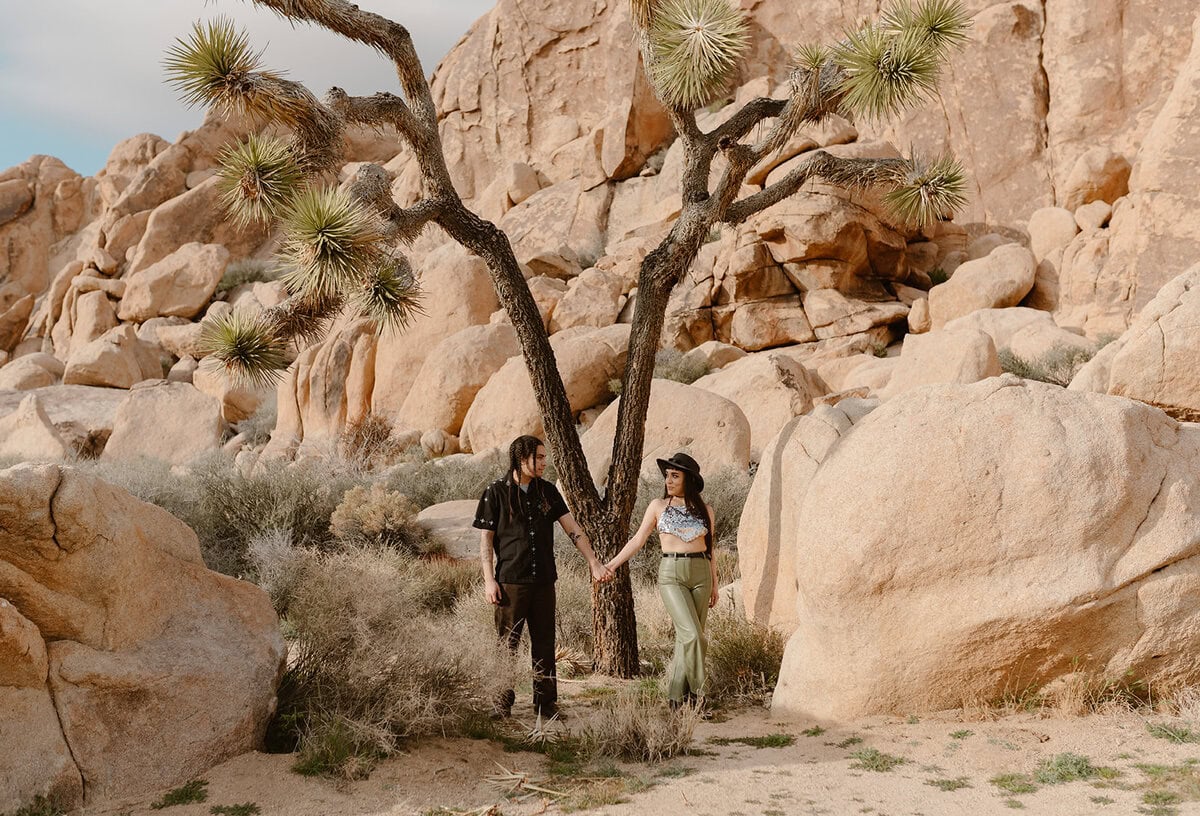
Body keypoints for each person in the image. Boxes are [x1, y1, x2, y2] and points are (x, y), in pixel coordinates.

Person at [474, 435, 613, 721]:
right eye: (538, 457)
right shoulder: (495, 492)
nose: (543, 463)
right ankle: (501, 703)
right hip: (510, 582)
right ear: (521, 458)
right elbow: (486, 543)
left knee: (544, 643)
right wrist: (489, 580)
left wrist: (594, 562)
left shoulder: (547, 492)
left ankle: (546, 705)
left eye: (544, 457)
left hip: (544, 581)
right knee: (506, 645)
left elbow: (572, 529)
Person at [605, 452, 717, 711]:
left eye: (674, 476)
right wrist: (611, 565)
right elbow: (637, 540)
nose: (668, 480)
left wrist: (715, 583)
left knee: (687, 637)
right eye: (667, 475)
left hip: (701, 573)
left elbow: (712, 549)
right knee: (692, 636)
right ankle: (700, 696)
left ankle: (677, 697)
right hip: (671, 574)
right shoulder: (658, 506)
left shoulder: (705, 510)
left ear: (688, 480)